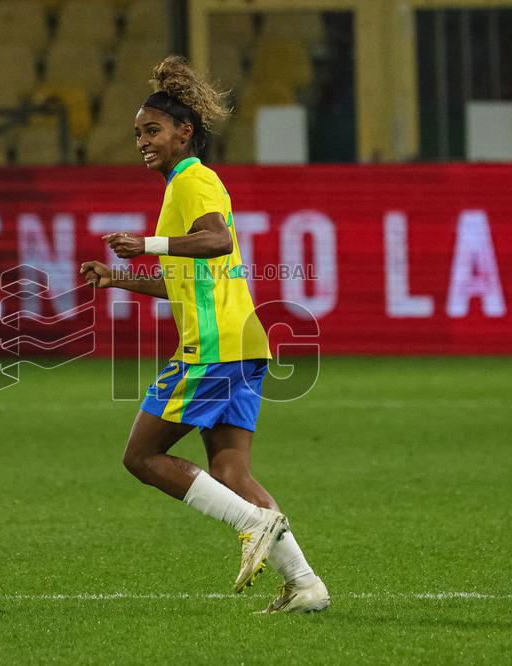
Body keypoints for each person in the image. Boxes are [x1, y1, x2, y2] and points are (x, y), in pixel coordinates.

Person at [79, 56, 329, 614]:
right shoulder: (185, 186)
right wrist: (118, 276)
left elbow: (215, 242)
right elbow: (187, 283)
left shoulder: (192, 181)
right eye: (137, 133)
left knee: (141, 457)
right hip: (243, 344)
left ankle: (253, 524)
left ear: (184, 131)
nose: (142, 141)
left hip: (214, 350)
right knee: (230, 471)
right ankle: (306, 584)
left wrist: (145, 244)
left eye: (152, 130)